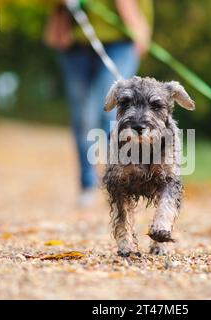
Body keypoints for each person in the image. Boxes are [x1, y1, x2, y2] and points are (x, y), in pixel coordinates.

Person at [44, 0, 153, 207]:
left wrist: (141, 31)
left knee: (110, 111)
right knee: (82, 115)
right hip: (75, 44)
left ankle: (122, 178)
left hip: (121, 40)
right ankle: (88, 183)